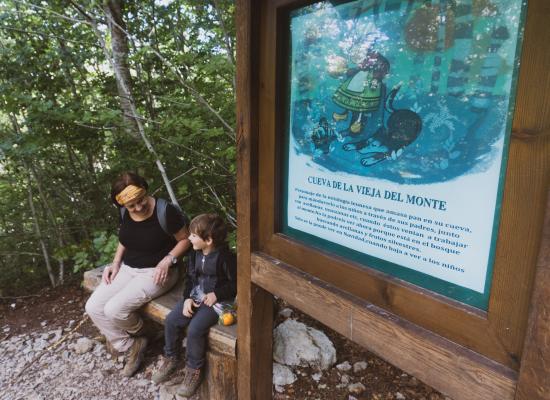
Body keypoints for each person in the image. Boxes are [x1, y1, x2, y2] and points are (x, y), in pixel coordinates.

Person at [85, 172, 190, 377]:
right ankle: (132, 344)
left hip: (159, 272)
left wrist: (168, 259)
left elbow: (185, 239)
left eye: (140, 201)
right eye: (131, 205)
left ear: (145, 190)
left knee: (114, 309)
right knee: (94, 307)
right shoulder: (124, 212)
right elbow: (124, 237)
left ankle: (147, 334)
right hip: (128, 268)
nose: (138, 207)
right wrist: (115, 264)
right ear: (122, 205)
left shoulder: (165, 211)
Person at [152, 213, 236, 398]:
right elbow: (190, 278)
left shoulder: (226, 258)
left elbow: (236, 283)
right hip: (196, 296)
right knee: (172, 320)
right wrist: (188, 298)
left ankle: (193, 370)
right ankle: (171, 357)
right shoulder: (194, 254)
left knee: (195, 329)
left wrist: (216, 294)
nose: (189, 238)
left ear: (208, 239)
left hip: (216, 302)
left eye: (193, 236)